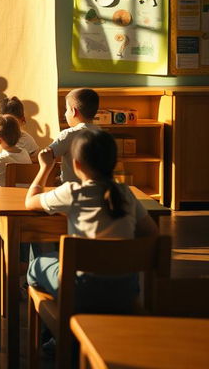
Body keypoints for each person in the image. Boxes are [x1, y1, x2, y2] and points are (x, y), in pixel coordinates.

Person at [25, 129, 158, 313]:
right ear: (114, 162)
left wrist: (45, 167)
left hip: (83, 292)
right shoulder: (125, 193)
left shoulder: (72, 192)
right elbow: (150, 232)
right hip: (125, 292)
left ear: (77, 165)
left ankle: (54, 334)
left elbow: (30, 202)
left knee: (36, 266)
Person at [45, 88, 99, 183]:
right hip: (97, 190)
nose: (65, 114)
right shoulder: (102, 134)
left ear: (74, 111)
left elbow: (46, 155)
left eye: (66, 110)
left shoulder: (68, 135)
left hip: (71, 192)